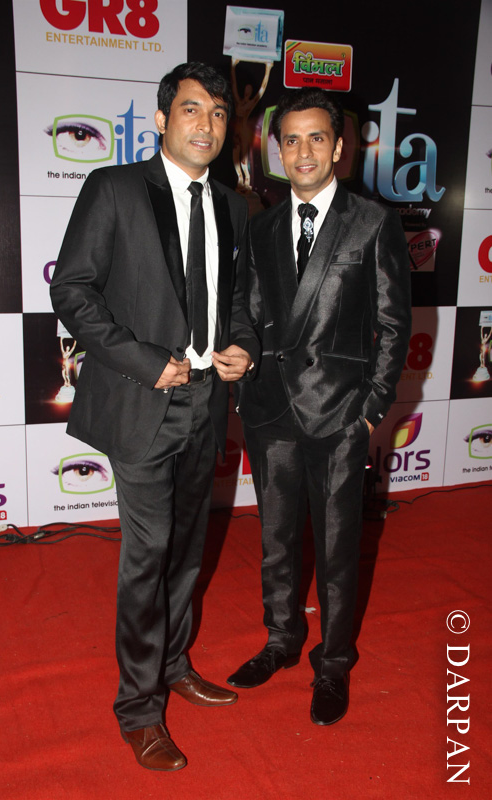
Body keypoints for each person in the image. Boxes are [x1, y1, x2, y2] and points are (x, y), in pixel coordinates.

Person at [51, 62, 259, 771]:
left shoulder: (232, 205)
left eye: (219, 114)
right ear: (164, 118)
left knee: (188, 549)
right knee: (149, 553)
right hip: (142, 398)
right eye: (193, 110)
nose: (207, 125)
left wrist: (242, 343)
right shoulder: (113, 188)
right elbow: (73, 290)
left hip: (207, 398)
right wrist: (144, 360)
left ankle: (173, 664)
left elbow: (238, 299)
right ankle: (138, 709)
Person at [227, 87, 411, 726]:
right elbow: (247, 312)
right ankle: (281, 640)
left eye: (316, 138)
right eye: (291, 140)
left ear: (338, 147)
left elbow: (394, 325)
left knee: (336, 549)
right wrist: (243, 363)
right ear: (277, 152)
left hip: (338, 415)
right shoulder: (262, 226)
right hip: (269, 411)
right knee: (275, 540)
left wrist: (371, 409)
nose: (303, 151)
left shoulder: (373, 222)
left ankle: (333, 662)